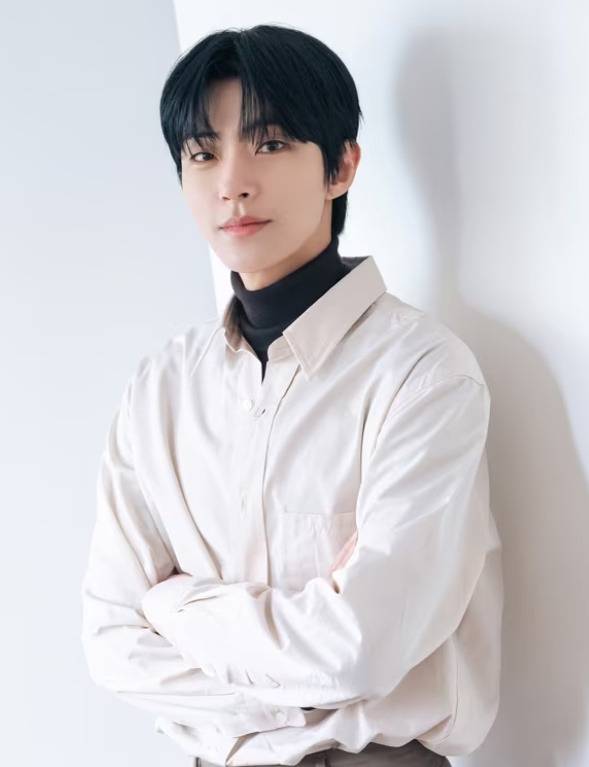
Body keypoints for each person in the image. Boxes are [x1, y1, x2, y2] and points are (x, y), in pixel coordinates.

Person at [80, 23, 503, 767]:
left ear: (341, 166)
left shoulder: (422, 374)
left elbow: (360, 648)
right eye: (202, 153)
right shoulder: (160, 389)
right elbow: (112, 641)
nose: (231, 182)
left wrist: (172, 604)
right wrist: (305, 676)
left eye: (269, 143)